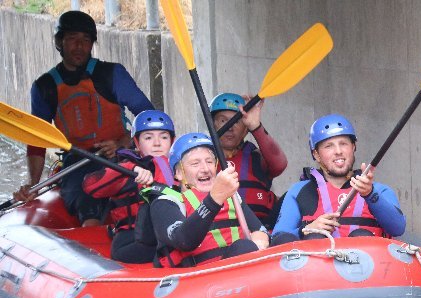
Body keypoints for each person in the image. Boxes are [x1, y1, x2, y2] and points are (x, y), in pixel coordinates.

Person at [14, 10, 154, 226]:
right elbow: (37, 141)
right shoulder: (45, 87)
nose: (79, 46)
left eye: (85, 40)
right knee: (88, 204)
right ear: (59, 42)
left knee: (146, 193)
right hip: (78, 163)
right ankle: (93, 233)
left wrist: (122, 142)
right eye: (72, 39)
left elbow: (148, 115)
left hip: (123, 156)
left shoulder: (112, 74)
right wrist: (34, 184)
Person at [271, 114, 405, 245]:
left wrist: (370, 194)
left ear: (353, 147)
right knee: (315, 238)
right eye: (329, 146)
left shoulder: (379, 191)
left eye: (344, 144)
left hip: (368, 265)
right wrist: (305, 230)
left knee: (361, 237)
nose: (338, 151)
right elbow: (278, 239)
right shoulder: (299, 191)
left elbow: (398, 228)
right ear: (316, 154)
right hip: (317, 266)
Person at [150, 133, 269, 268]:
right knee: (244, 247)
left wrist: (261, 238)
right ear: (178, 173)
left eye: (209, 162)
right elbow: (183, 240)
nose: (205, 169)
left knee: (284, 238)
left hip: (237, 267)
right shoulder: (165, 202)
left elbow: (260, 229)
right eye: (195, 164)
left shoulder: (232, 197)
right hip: (197, 279)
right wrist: (215, 198)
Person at [82, 110, 176, 263]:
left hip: (171, 234)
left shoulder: (181, 169)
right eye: (148, 137)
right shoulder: (125, 169)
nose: (157, 143)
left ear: (172, 141)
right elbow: (89, 186)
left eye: (164, 137)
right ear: (137, 143)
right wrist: (129, 170)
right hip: (132, 241)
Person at [209, 92, 287, 228]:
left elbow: (279, 165)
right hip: (220, 229)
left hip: (262, 229)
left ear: (245, 129)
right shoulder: (200, 158)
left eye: (237, 121)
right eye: (222, 120)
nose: (230, 127)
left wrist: (255, 126)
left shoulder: (256, 156)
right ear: (212, 125)